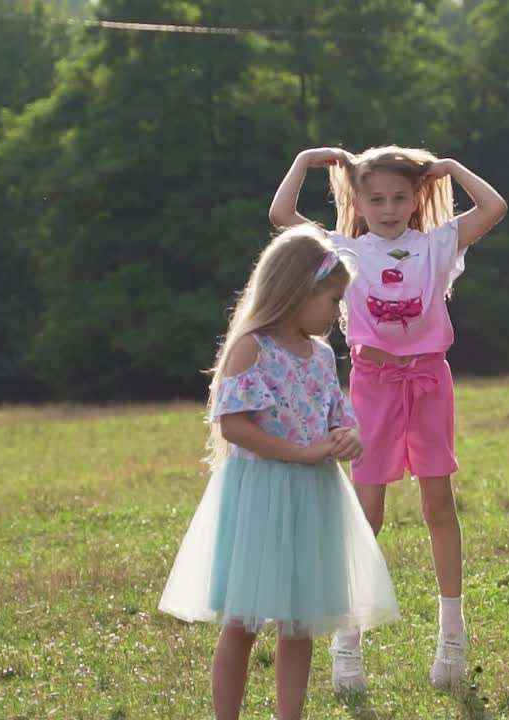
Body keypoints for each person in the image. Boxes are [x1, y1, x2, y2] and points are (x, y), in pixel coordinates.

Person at [269, 145, 507, 690]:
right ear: (357, 199)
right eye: (376, 197)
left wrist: (451, 170)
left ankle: (452, 635)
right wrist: (305, 161)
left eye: (401, 196)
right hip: (372, 387)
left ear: (417, 196)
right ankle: (347, 642)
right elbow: (282, 219)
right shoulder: (345, 250)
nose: (389, 207)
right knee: (367, 512)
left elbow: (493, 208)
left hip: (428, 383)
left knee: (437, 503)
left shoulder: (436, 245)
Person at [159, 224, 399, 718]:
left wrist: (347, 438)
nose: (337, 312)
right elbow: (234, 427)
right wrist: (302, 453)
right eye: (331, 300)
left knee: (300, 620)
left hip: (312, 497)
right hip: (261, 498)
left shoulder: (321, 356)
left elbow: (339, 415)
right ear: (295, 291)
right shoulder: (253, 349)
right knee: (242, 623)